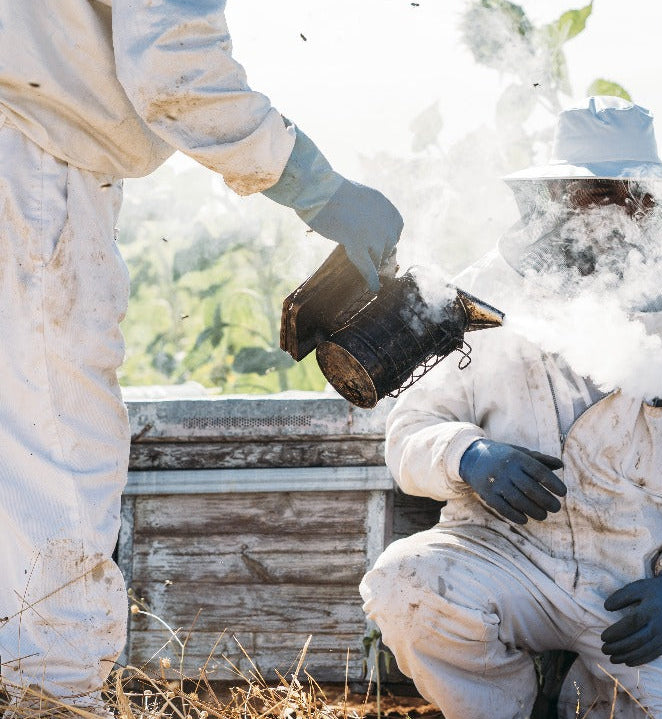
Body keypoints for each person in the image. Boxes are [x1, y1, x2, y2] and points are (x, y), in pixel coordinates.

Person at [0, 1, 402, 712]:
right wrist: (318, 187)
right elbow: (175, 70)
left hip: (25, 139)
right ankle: (48, 694)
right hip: (29, 161)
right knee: (60, 453)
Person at [360, 96, 662, 718]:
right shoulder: (478, 298)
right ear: (551, 200)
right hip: (503, 557)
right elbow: (410, 429)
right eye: (589, 193)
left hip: (639, 585)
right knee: (406, 585)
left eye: (625, 192)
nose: (608, 210)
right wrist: (468, 455)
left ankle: (595, 691)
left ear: (655, 201)